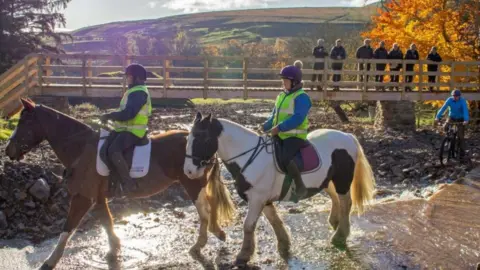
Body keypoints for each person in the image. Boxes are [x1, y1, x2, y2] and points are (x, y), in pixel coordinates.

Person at [100, 63, 152, 196]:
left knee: (113, 151)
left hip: (134, 131)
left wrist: (110, 115)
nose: (128, 79)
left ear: (137, 78)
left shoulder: (139, 92)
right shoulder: (132, 91)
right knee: (104, 149)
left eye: (129, 77)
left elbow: (129, 113)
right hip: (124, 129)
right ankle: (114, 179)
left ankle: (128, 183)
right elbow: (123, 111)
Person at [263, 65, 312, 200]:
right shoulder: (281, 95)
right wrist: (264, 126)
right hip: (280, 134)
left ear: (294, 81)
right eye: (283, 80)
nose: (283, 82)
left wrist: (279, 128)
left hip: (294, 136)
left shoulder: (302, 97)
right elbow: (274, 116)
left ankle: (299, 185)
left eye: (285, 80)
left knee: (285, 157)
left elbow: (298, 118)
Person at [434, 89, 469, 161]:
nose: (455, 97)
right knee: (445, 126)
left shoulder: (462, 101)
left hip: (461, 119)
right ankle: (448, 139)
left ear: (459, 96)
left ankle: (462, 153)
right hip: (451, 117)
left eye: (456, 96)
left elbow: (465, 110)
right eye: (453, 96)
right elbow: (443, 108)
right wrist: (437, 117)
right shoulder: (449, 100)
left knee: (461, 136)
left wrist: (466, 120)